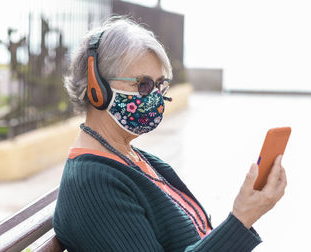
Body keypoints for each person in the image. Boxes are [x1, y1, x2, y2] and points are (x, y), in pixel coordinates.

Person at [53, 16, 287, 252]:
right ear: (97, 89)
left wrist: (241, 218)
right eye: (143, 85)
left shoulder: (130, 157)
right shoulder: (95, 183)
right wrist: (241, 219)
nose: (154, 96)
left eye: (159, 85)